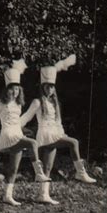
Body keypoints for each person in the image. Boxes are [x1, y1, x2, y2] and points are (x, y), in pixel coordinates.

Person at [21, 54, 96, 205]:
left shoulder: (55, 103)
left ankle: (43, 195)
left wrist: (61, 133)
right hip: (45, 133)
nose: (50, 89)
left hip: (54, 133)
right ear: (42, 87)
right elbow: (25, 117)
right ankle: (80, 172)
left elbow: (59, 122)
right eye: (47, 86)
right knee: (73, 142)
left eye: (52, 86)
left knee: (48, 166)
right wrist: (18, 128)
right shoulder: (37, 102)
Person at [0, 59, 50, 206]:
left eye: (17, 89)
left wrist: (23, 130)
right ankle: (38, 173)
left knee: (13, 167)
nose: (15, 92)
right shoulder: (1, 103)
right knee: (33, 143)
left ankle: (7, 195)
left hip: (17, 134)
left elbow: (18, 122)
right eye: (12, 89)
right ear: (7, 89)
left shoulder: (19, 104)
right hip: (7, 134)